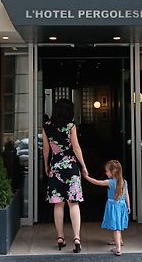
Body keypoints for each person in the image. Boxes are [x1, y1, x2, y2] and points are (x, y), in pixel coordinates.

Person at [42, 98, 89, 253]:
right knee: (73, 203)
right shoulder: (71, 126)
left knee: (58, 203)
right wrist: (83, 165)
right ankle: (76, 238)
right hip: (71, 167)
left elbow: (46, 150)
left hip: (56, 167)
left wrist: (46, 166)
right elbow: (76, 148)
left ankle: (60, 237)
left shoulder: (47, 127)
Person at [84, 160, 130, 256]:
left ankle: (118, 248)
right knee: (119, 225)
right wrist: (128, 206)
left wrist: (86, 177)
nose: (106, 173)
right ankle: (119, 241)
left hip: (114, 207)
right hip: (122, 206)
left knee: (116, 228)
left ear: (113, 172)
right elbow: (127, 195)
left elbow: (96, 182)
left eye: (107, 171)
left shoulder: (110, 182)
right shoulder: (124, 182)